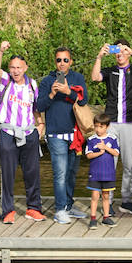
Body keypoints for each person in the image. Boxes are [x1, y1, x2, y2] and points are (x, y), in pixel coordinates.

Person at [91, 39, 132, 216]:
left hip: (131, 123)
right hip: (111, 124)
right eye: (116, 52)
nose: (120, 54)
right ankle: (107, 201)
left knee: (129, 164)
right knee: (108, 162)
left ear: (127, 52)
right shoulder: (110, 71)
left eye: (122, 51)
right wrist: (99, 57)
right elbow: (95, 77)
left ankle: (126, 200)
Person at [0, 42, 46, 223]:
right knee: (8, 172)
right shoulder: (6, 81)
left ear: (25, 68)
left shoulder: (32, 84)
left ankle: (34, 208)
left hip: (29, 132)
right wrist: (1, 51)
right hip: (8, 131)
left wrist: (41, 125)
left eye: (19, 68)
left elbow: (36, 108)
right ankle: (8, 211)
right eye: (13, 68)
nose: (16, 71)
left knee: (32, 171)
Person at [37, 46, 88, 224]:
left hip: (75, 134)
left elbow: (84, 100)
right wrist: (52, 93)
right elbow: (39, 106)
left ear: (71, 62)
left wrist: (68, 92)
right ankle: (59, 210)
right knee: (60, 173)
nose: (62, 63)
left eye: (65, 60)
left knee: (72, 173)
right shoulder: (47, 81)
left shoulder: (77, 78)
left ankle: (68, 205)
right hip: (55, 134)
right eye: (59, 60)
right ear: (55, 62)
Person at [83, 115, 120, 228]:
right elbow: (88, 155)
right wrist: (99, 153)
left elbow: (116, 153)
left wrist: (106, 148)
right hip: (95, 173)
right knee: (95, 196)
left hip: (108, 174)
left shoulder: (112, 138)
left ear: (107, 127)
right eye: (96, 126)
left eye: (101, 127)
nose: (98, 129)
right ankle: (93, 218)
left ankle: (106, 217)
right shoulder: (91, 139)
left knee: (106, 196)